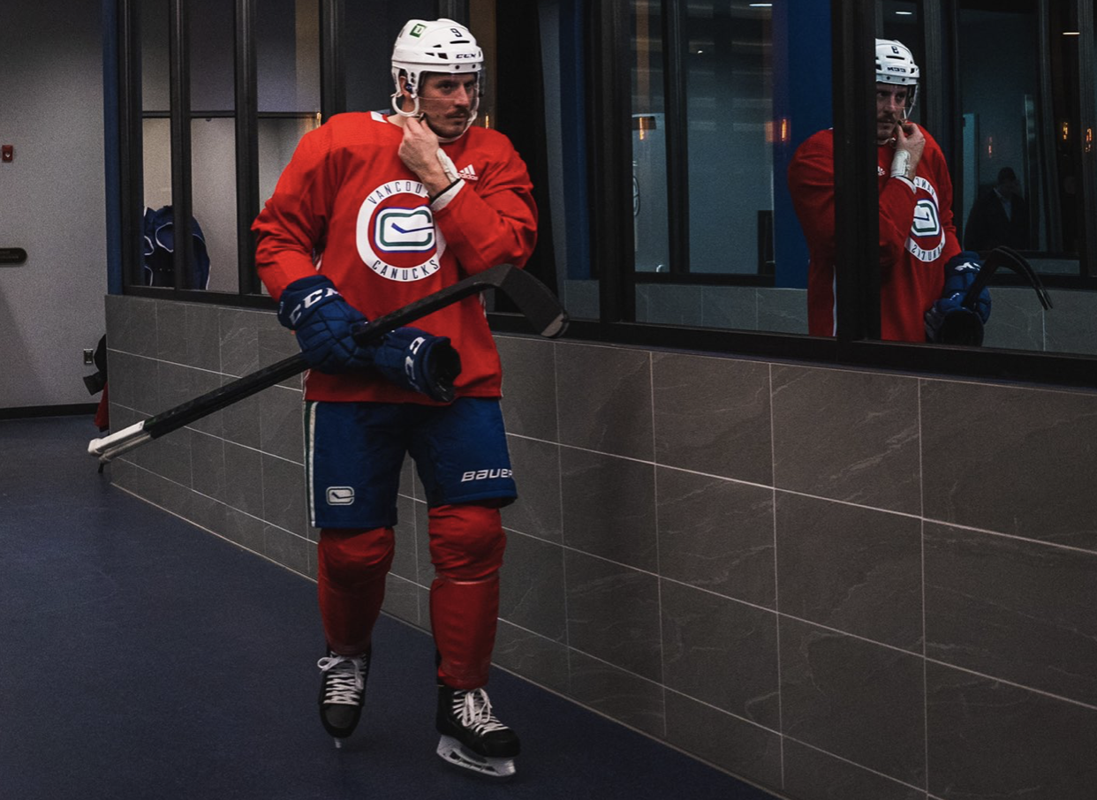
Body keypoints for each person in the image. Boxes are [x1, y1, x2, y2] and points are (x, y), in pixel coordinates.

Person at [252, 18, 537, 779]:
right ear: (405, 83)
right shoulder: (337, 142)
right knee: (354, 549)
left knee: (473, 540)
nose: (463, 99)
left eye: (471, 83)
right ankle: (346, 655)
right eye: (446, 84)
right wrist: (310, 302)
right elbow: (276, 237)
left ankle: (463, 698)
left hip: (458, 379)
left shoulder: (492, 155)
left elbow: (504, 259)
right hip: (352, 381)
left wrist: (441, 177)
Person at [788, 38, 990, 343]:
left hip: (928, 339)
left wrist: (959, 277)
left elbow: (943, 225)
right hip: (859, 342)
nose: (891, 108)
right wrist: (903, 169)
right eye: (881, 94)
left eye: (901, 95)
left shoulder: (925, 145)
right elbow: (877, 248)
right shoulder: (821, 155)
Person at [963, 166, 1030, 251]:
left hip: (994, 254)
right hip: (1001, 253)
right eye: (1009, 186)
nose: (1010, 190)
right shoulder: (1017, 203)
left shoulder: (984, 202)